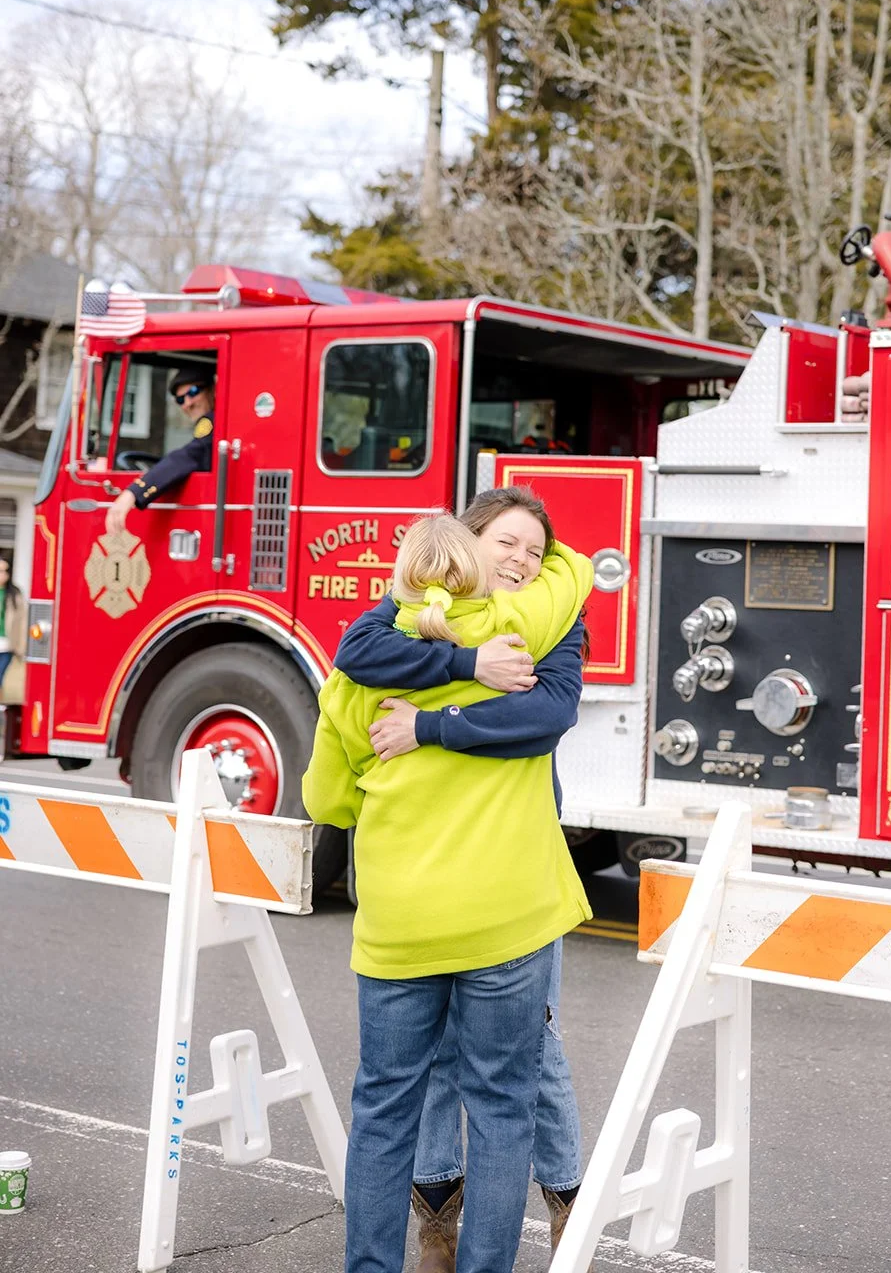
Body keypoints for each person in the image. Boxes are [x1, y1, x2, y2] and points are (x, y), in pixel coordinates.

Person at [302, 513, 593, 1273]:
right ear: (472, 545)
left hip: (399, 921)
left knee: (383, 1107)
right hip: (506, 915)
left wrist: (411, 747)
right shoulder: (528, 633)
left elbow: (325, 798)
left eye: (533, 550)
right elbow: (549, 707)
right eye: (509, 544)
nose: (524, 561)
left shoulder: (368, 655)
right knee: (502, 1107)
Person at [105, 366, 215, 536]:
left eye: (193, 392)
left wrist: (134, 491)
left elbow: (191, 455)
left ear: (212, 389)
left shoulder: (210, 422)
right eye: (180, 400)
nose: (187, 403)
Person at [0, 558, 27, 698]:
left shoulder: (15, 594)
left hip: (7, 645)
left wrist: (22, 647)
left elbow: (23, 622)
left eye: (4, 571)